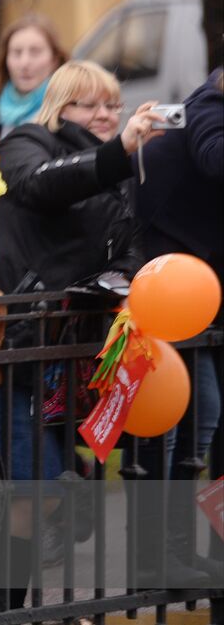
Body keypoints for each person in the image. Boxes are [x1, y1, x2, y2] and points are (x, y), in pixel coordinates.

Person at [0, 61, 167, 625]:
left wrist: (124, 278)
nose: (105, 116)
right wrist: (117, 153)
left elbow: (125, 246)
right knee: (12, 503)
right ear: (59, 105)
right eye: (91, 105)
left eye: (113, 105)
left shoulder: (120, 172)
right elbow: (40, 188)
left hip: (64, 361)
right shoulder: (26, 142)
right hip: (8, 352)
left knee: (33, 506)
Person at [131, 66, 223, 587]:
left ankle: (177, 548)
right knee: (171, 419)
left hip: (201, 283)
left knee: (203, 413)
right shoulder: (210, 103)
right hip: (168, 272)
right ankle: (154, 554)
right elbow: (213, 156)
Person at [0, 15, 69, 133]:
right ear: (5, 59)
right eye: (17, 52)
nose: (24, 63)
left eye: (35, 52)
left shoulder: (69, 112)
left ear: (55, 59)